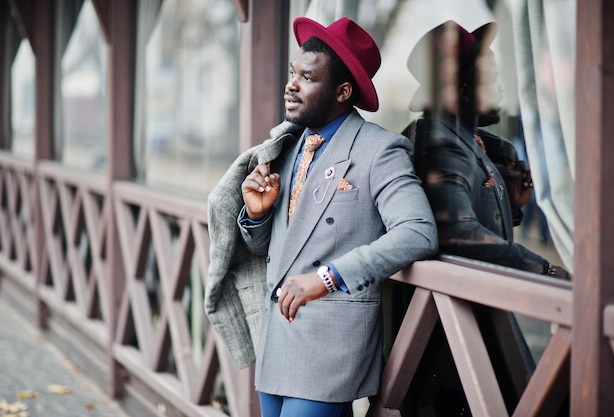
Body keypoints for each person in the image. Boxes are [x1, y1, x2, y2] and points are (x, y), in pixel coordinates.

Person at [205, 16, 438, 417]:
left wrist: (329, 277)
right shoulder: (288, 147)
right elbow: (280, 250)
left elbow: (418, 232)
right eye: (292, 73)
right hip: (278, 339)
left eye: (307, 78)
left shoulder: (380, 150)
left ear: (343, 91)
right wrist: (258, 217)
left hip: (332, 345)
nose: (291, 85)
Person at [395, 21, 571, 416]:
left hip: (470, 326)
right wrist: (540, 268)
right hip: (451, 342)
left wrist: (512, 206)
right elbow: (456, 233)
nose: (502, 87)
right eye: (491, 76)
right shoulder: (440, 143)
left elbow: (472, 221)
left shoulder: (463, 140)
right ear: (461, 91)